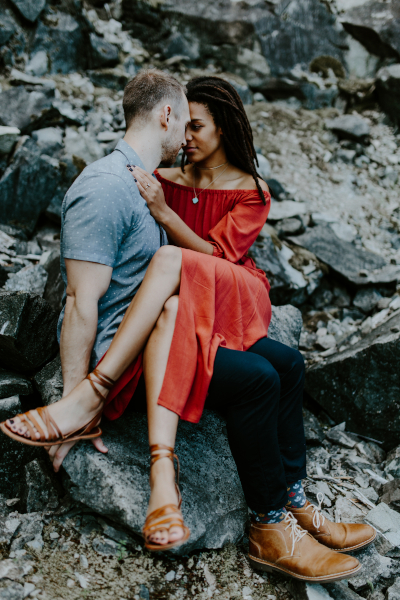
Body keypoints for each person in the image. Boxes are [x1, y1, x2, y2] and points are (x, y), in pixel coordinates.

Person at [1, 73, 375, 581]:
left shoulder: (169, 183)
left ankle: (295, 504)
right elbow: (78, 301)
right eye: (186, 125)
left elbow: (213, 259)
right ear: (167, 116)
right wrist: (73, 403)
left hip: (191, 309)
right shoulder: (112, 185)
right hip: (146, 347)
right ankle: (269, 525)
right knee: (259, 380)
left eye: (201, 127)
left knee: (285, 363)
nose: (188, 140)